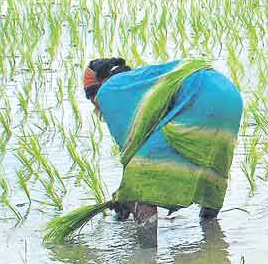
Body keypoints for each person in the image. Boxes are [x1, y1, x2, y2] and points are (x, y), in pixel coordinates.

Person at [61, 58, 244, 244]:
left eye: (91, 96)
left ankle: (147, 260)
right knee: (210, 166)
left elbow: (131, 148)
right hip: (229, 95)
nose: (95, 105)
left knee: (139, 182)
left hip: (201, 95)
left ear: (99, 86)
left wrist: (127, 192)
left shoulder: (109, 90)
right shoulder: (143, 82)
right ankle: (212, 240)